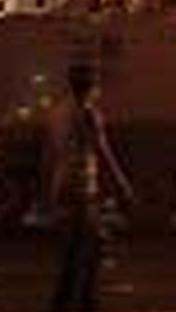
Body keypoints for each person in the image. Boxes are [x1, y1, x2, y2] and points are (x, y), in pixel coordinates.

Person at [46, 62, 133, 312]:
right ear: (90, 87)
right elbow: (103, 151)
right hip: (81, 189)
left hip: (62, 186)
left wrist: (49, 193)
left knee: (73, 254)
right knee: (91, 251)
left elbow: (49, 154)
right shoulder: (87, 113)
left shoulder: (58, 111)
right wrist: (122, 187)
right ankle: (85, 303)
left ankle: (67, 302)